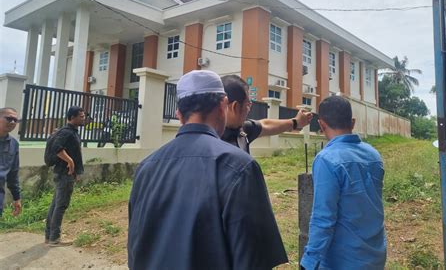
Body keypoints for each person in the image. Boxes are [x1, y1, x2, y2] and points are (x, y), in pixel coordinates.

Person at [128, 70, 288, 270]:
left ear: (179, 114)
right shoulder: (239, 167)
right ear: (223, 106)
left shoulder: (145, 168)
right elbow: (252, 260)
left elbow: (135, 249)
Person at [300, 96, 386, 269]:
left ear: (322, 125)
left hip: (342, 260)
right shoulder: (374, 155)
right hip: (375, 256)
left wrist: (309, 262)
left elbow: (323, 217)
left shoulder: (327, 159)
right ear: (352, 122)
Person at [221, 75, 313, 153]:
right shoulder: (213, 141)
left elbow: (265, 125)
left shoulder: (241, 130)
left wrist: (296, 122)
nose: (249, 109)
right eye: (248, 104)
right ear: (235, 107)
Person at [45, 106, 85, 246]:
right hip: (64, 174)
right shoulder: (67, 132)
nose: (83, 118)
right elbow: (57, 148)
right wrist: (70, 161)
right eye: (81, 116)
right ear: (72, 117)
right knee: (61, 205)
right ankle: (54, 238)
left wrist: (76, 170)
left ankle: (49, 236)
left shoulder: (70, 132)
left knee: (56, 204)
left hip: (63, 173)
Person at [0, 107, 22, 218]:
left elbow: (13, 174)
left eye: (15, 120)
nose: (13, 122)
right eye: (9, 118)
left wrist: (16, 198)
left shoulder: (13, 144)